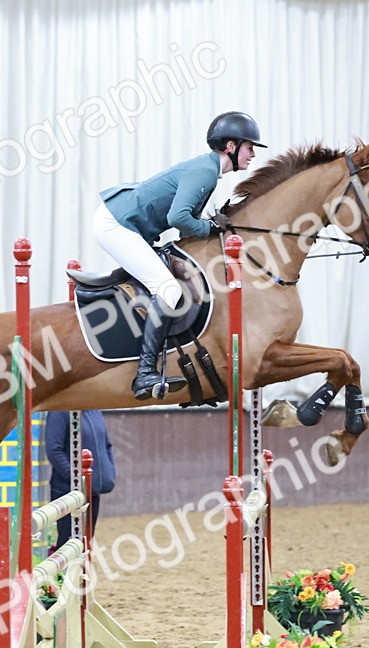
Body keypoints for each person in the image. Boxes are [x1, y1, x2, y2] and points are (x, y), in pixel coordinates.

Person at [94, 111, 265, 400]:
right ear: (231, 147)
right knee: (168, 289)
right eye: (250, 148)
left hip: (127, 224)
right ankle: (145, 374)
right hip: (115, 224)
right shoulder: (205, 171)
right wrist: (211, 226)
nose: (253, 155)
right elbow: (179, 217)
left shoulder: (210, 171)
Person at [45, 410, 115, 549]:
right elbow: (54, 450)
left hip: (92, 490)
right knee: (67, 544)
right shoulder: (59, 412)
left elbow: (106, 444)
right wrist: (76, 479)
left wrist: (109, 473)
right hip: (67, 491)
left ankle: (83, 570)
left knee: (86, 543)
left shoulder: (95, 410)